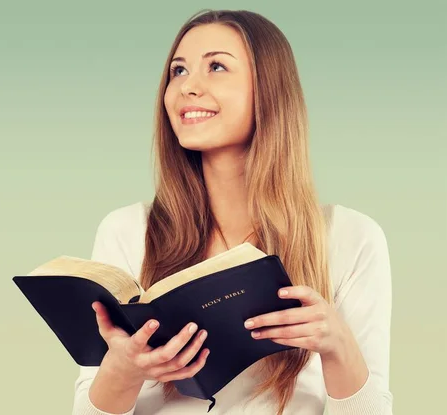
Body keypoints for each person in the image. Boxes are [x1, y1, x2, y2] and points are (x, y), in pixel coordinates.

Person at [71, 9, 393, 415]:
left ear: (269, 90)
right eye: (178, 71)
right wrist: (123, 368)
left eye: (217, 66)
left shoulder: (350, 237)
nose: (188, 87)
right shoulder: (129, 230)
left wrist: (338, 346)